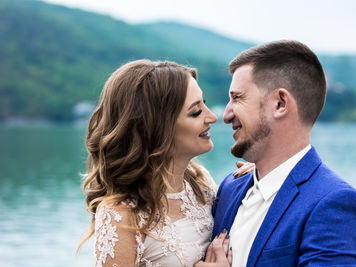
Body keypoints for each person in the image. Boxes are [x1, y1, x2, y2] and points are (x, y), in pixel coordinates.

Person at [197, 40, 356, 267]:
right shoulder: (230, 187)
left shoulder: (334, 202)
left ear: (279, 104)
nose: (226, 114)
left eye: (237, 97)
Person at [77, 60, 248, 266]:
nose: (212, 117)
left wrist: (256, 178)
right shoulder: (121, 214)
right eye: (195, 112)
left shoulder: (200, 183)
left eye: (205, 104)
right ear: (156, 127)